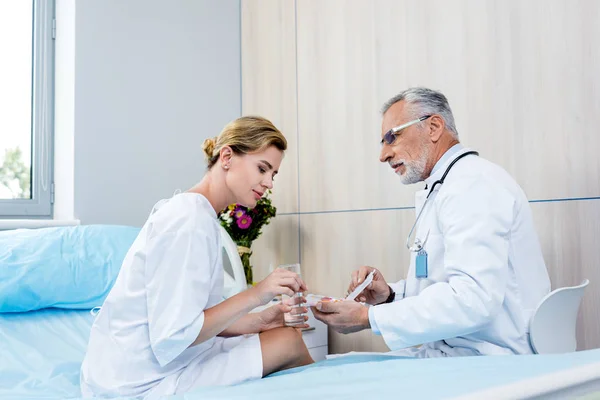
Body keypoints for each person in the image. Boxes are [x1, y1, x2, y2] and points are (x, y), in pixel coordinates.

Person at [80, 116, 314, 399]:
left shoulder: (197, 214)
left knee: (285, 338)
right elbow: (174, 336)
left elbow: (198, 319)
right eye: (262, 169)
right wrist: (258, 293)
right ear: (227, 156)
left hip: (143, 366)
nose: (269, 183)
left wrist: (261, 320)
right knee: (288, 343)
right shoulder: (189, 221)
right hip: (139, 382)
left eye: (273, 174)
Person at [312, 87, 551, 357]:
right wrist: (390, 295)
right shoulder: (448, 185)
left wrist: (369, 317)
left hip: (490, 358)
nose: (383, 154)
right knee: (342, 367)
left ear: (434, 127)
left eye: (392, 137)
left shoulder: (473, 185)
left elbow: (473, 299)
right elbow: (443, 285)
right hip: (455, 351)